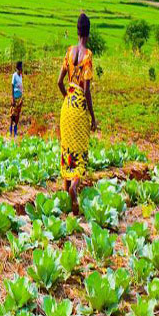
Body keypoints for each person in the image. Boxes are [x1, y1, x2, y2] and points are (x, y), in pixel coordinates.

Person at [57, 13, 97, 215]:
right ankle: (74, 187)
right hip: (80, 105)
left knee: (67, 150)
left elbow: (59, 82)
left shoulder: (69, 51)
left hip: (67, 105)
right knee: (80, 153)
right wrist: (93, 116)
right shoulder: (87, 56)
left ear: (77, 31)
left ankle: (66, 196)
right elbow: (87, 90)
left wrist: (67, 98)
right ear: (88, 33)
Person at [9, 61, 23, 136]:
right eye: (21, 67)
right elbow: (12, 86)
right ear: (18, 68)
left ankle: (15, 131)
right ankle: (10, 131)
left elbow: (21, 86)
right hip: (15, 97)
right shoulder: (14, 75)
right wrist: (12, 97)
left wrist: (22, 97)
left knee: (17, 115)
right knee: (12, 114)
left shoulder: (21, 76)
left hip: (20, 97)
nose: (22, 69)